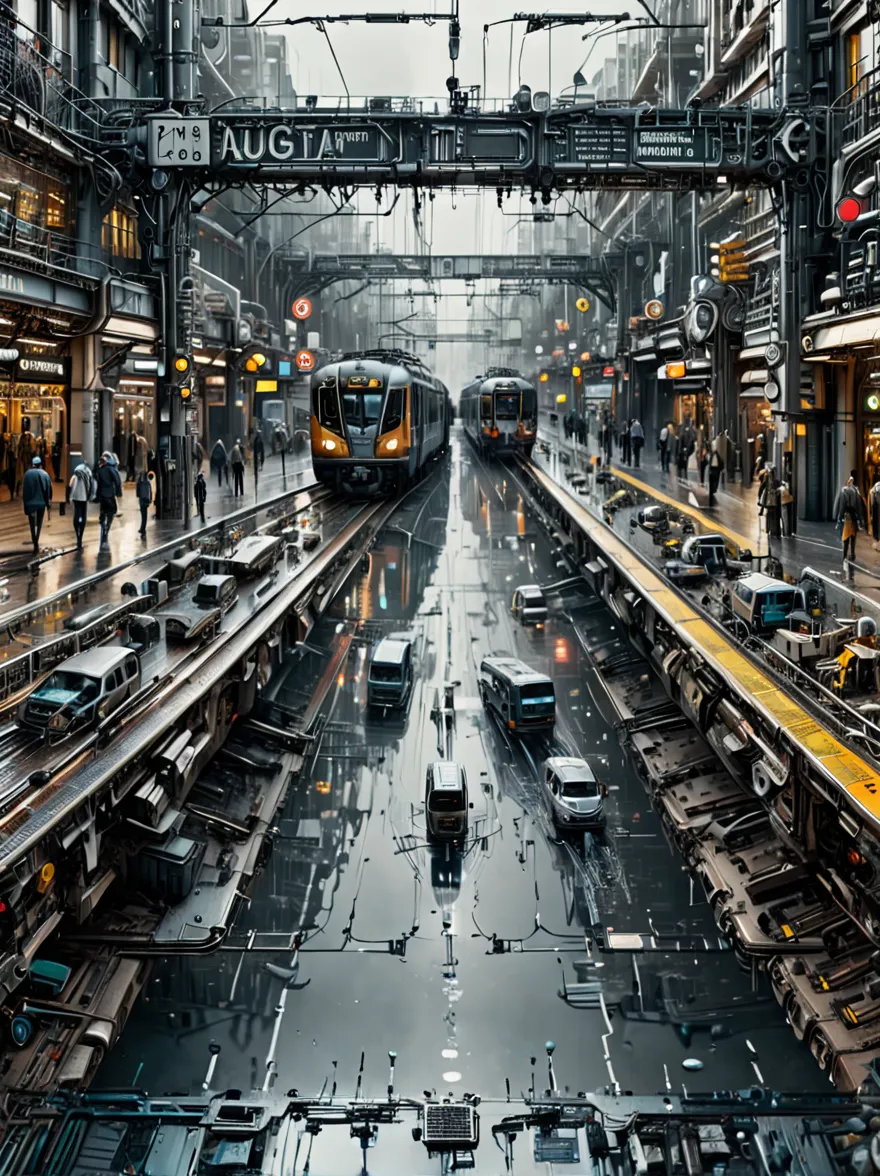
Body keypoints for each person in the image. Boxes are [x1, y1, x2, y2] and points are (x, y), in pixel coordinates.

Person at [833, 475, 867, 582]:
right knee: (853, 536)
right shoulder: (856, 491)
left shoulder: (844, 491)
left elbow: (842, 506)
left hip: (847, 516)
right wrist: (861, 520)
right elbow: (860, 507)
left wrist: (839, 519)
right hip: (854, 516)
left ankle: (844, 556)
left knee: (845, 537)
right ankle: (852, 554)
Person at [22, 455, 52, 553]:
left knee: (31, 523)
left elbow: (25, 491)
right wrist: (48, 503)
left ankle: (34, 539)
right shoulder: (45, 474)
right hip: (41, 503)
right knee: (38, 523)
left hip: (30, 503)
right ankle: (36, 540)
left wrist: (25, 505)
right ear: (40, 465)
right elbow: (48, 490)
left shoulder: (27, 475)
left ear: (32, 465)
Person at [94, 451, 123, 549]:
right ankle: (106, 528)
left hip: (101, 495)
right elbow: (117, 481)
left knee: (104, 511)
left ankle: (103, 524)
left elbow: (96, 481)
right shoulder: (111, 469)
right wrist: (118, 492)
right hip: (109, 494)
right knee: (111, 511)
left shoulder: (99, 469)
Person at [68, 460, 93, 550]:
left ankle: (77, 534)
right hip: (84, 497)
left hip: (76, 497)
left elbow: (70, 484)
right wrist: (89, 495)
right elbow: (91, 485)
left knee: (76, 514)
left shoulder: (75, 474)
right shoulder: (88, 472)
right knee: (83, 516)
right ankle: (80, 536)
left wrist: (70, 495)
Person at [136, 469, 152, 539]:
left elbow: (137, 494)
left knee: (143, 515)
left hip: (142, 500)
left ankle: (142, 529)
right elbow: (150, 492)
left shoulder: (139, 483)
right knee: (145, 516)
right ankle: (142, 528)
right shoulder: (148, 483)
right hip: (147, 500)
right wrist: (150, 500)